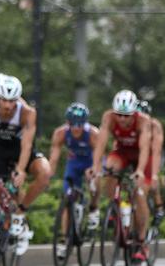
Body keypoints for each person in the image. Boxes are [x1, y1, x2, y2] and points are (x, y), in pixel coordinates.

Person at [0, 75, 53, 255]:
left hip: (21, 150)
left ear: (18, 99)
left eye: (12, 101)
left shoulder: (27, 112)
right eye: (4, 100)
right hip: (0, 149)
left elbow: (27, 144)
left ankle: (20, 214)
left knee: (44, 172)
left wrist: (20, 170)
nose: (7, 105)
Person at [87, 90, 152, 264]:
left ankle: (141, 240)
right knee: (109, 168)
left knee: (140, 194)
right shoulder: (109, 117)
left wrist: (139, 170)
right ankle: (113, 207)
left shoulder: (143, 121)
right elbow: (101, 143)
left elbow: (145, 148)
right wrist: (95, 167)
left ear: (134, 113)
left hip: (141, 156)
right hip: (122, 152)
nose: (122, 119)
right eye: (119, 115)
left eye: (126, 116)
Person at [48, 102, 99, 258]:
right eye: (72, 124)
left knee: (95, 182)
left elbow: (98, 155)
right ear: (67, 122)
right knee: (67, 199)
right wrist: (49, 175)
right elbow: (54, 157)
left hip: (90, 162)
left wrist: (94, 170)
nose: (76, 128)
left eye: (80, 124)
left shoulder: (93, 133)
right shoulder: (60, 133)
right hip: (74, 163)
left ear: (85, 123)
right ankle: (64, 240)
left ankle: (93, 209)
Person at [137, 100, 165, 224]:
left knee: (150, 181)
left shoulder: (155, 126)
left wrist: (154, 174)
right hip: (140, 155)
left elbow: (157, 151)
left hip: (155, 154)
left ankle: (159, 206)